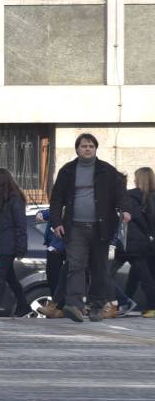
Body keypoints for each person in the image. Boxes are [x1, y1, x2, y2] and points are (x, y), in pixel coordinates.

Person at [47, 133, 132, 323]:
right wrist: (56, 222)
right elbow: (56, 199)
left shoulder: (107, 170)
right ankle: (74, 306)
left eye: (91, 146)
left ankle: (96, 306)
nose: (87, 149)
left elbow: (121, 194)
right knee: (76, 265)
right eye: (84, 146)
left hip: (101, 228)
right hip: (74, 227)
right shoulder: (67, 170)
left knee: (99, 268)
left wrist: (125, 210)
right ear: (77, 149)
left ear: (95, 149)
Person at [0, 166, 31, 317]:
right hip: (1, 243)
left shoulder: (14, 199)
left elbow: (20, 225)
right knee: (10, 277)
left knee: (1, 274)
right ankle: (24, 305)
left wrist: (21, 247)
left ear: (1, 182)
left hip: (9, 244)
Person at [124, 167, 155, 317]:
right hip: (149, 242)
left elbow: (136, 220)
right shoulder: (149, 197)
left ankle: (127, 303)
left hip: (140, 241)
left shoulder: (132, 196)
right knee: (138, 274)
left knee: (143, 276)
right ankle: (125, 302)